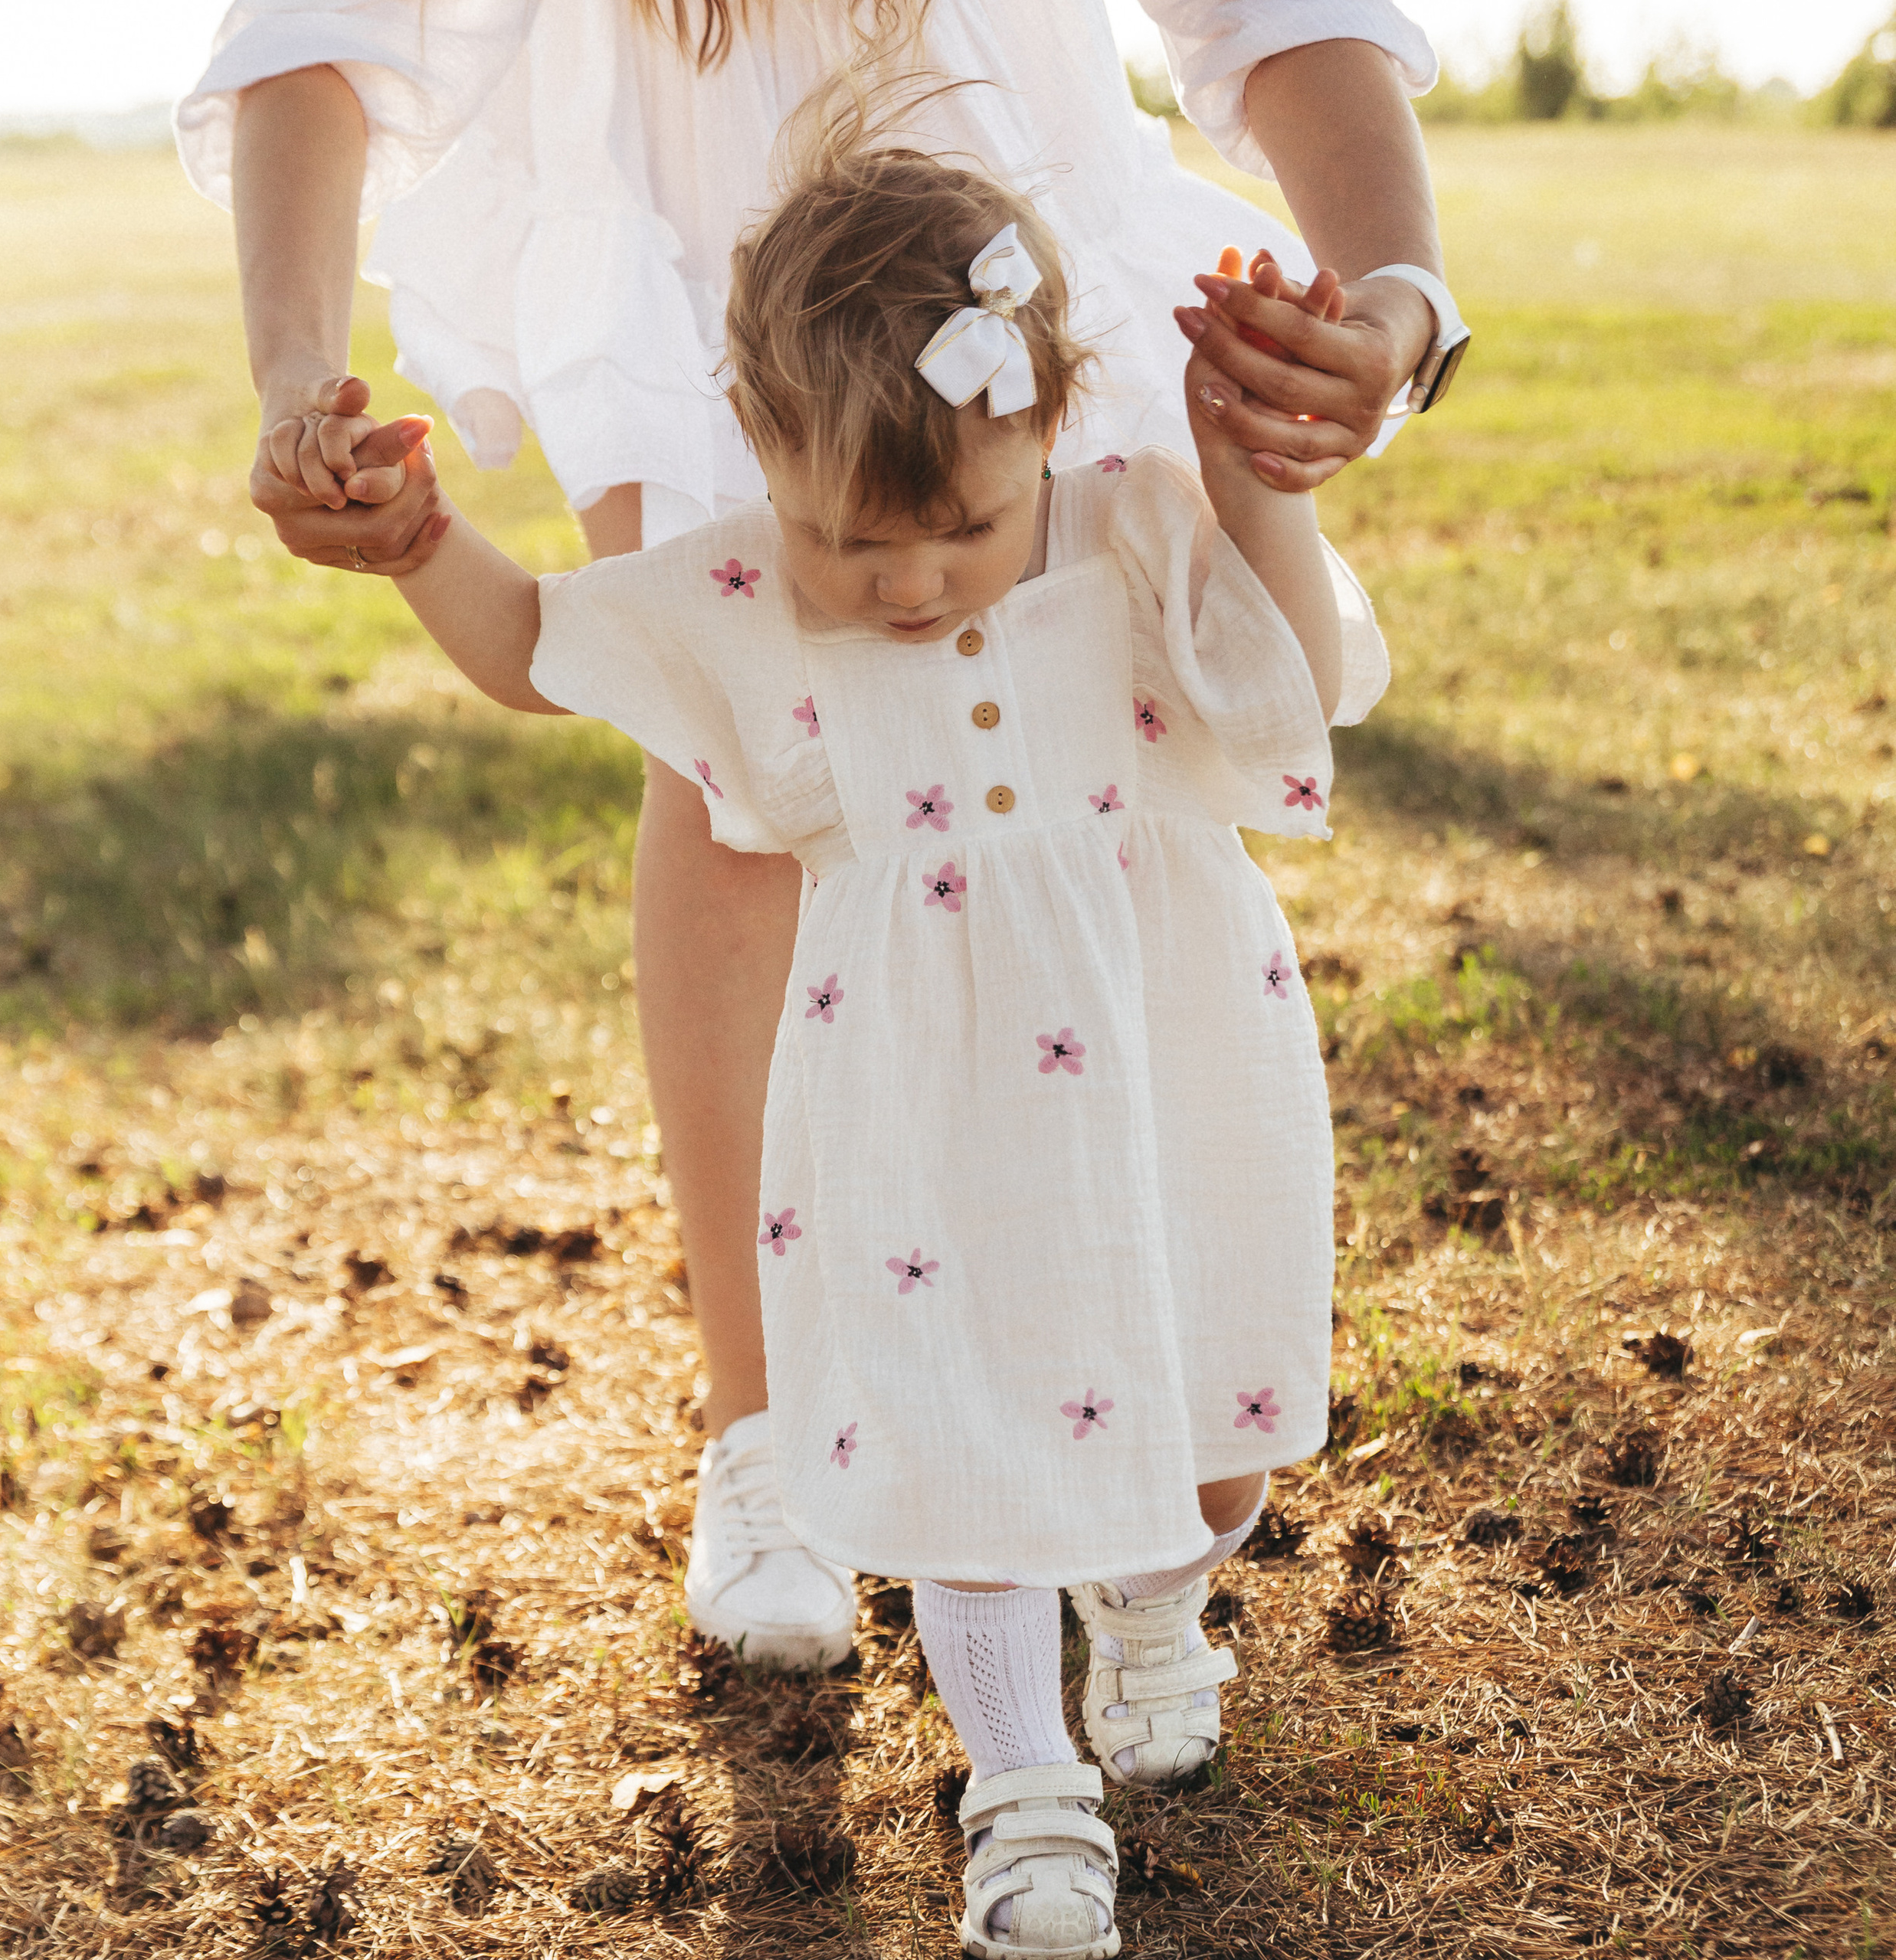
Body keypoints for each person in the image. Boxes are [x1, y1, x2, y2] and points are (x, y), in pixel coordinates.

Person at [178, 0, 1449, 1670]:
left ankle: (1106, 1359)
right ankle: (772, 1428)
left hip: (1006, 216)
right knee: (737, 778)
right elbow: (331, 35)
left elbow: (1272, 18)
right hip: (701, 240)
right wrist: (300, 383)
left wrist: (1394, 296)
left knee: (1098, 784)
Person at [377, 85, 1387, 1952]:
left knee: (1209, 1426)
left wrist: (1264, 480)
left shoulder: (1134, 533)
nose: (908, 583)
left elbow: (1291, 698)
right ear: (759, 452)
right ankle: (1021, 1792)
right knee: (959, 1442)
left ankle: (1158, 1605)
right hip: (915, 1092)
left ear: (1048, 431)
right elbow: (539, 647)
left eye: (961, 527)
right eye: (855, 543)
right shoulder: (755, 591)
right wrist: (420, 535)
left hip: (1163, 1055)